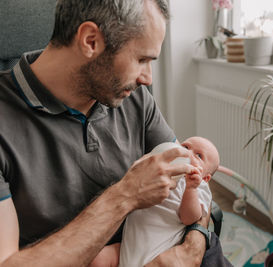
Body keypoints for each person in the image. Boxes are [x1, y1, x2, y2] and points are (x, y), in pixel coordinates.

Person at [0, 1, 228, 266]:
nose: (148, 79)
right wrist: (125, 195)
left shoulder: (133, 97)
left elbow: (194, 181)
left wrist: (194, 245)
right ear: (90, 40)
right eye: (142, 59)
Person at [118, 137, 220, 267]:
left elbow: (189, 218)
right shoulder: (164, 169)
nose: (188, 153)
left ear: (205, 178)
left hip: (157, 252)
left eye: (199, 155)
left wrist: (190, 189)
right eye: (186, 147)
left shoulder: (199, 187)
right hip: (128, 244)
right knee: (100, 259)